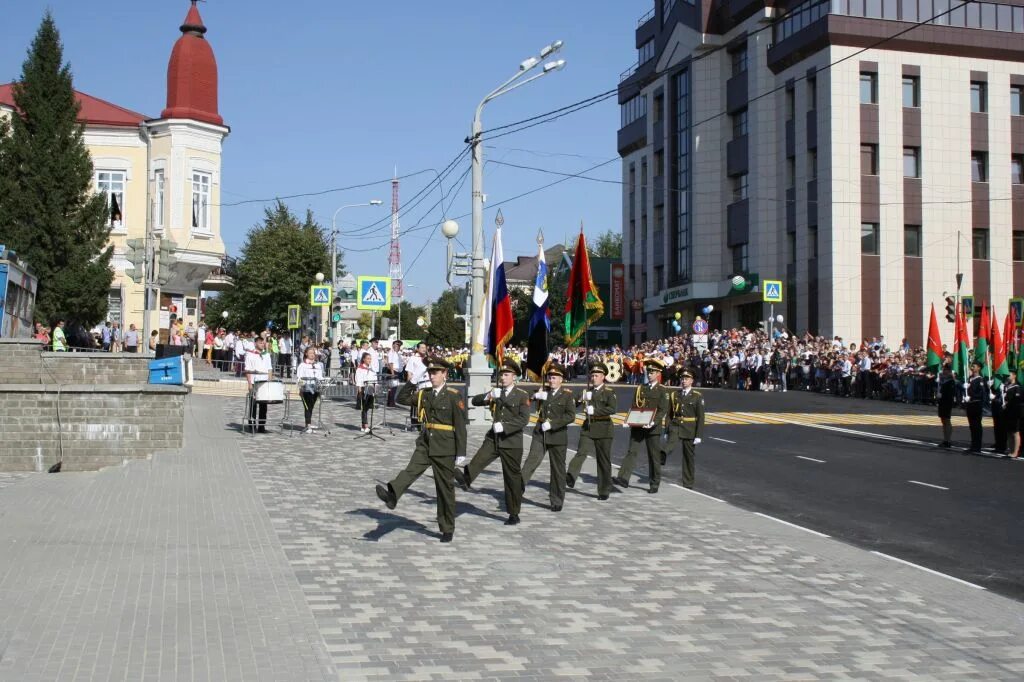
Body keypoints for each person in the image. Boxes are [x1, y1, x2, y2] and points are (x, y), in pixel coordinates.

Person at [376, 357, 467, 543]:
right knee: (411, 470)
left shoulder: (453, 395)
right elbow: (400, 398)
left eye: (436, 373)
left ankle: (447, 527)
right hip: (426, 442)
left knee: (444, 489)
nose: (432, 376)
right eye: (430, 373)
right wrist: (413, 379)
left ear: (444, 374)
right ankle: (392, 496)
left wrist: (461, 452)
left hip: (445, 446)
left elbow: (460, 425)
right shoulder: (424, 394)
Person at [454, 358, 531, 525]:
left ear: (514, 377)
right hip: (494, 438)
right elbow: (474, 401)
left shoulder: (522, 396)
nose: (503, 377)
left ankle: (513, 512)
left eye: (507, 374)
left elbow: (524, 419)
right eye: (502, 374)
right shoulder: (496, 392)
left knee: (511, 478)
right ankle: (466, 478)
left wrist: (505, 426)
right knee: (479, 458)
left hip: (511, 442)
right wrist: (488, 395)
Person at [520, 363, 577, 511]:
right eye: (550, 377)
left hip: (557, 435)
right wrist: (534, 396)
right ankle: (516, 491)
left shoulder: (567, 395)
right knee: (530, 462)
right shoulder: (543, 391)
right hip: (540, 433)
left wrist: (553, 424)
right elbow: (525, 399)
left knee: (557, 469)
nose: (551, 380)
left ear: (561, 380)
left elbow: (570, 416)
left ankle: (556, 499)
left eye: (555, 377)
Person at [614, 358, 672, 493]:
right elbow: (635, 406)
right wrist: (628, 420)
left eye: (652, 372)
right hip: (638, 425)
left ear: (658, 374)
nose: (649, 374)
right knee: (631, 451)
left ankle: (654, 483)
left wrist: (654, 422)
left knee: (653, 456)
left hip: (652, 427)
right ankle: (623, 477)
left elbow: (663, 410)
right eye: (649, 371)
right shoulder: (641, 388)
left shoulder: (663, 390)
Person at [565, 363, 618, 500]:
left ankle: (604, 490)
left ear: (603, 377)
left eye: (597, 376)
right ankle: (571, 475)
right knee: (581, 452)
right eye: (592, 375)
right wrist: (580, 398)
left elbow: (612, 409)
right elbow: (573, 403)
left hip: (604, 428)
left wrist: (595, 411)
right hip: (588, 427)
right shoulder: (586, 391)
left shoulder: (609, 392)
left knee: (603, 460)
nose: (593, 378)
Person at [660, 369, 705, 489]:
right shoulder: (674, 394)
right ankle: (662, 455)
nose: (683, 381)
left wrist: (698, 435)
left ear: (692, 381)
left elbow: (701, 417)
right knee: (670, 443)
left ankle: (688, 483)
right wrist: (666, 430)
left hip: (690, 429)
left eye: (686, 379)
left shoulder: (697, 396)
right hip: (675, 425)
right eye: (682, 379)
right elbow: (669, 414)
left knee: (688, 457)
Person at [244, 335, 275, 433]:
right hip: (254, 382)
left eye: (263, 343)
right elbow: (248, 370)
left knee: (263, 405)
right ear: (255, 343)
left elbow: (269, 368)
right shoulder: (250, 355)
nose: (262, 344)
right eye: (260, 343)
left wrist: (269, 380)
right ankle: (251, 425)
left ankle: (262, 426)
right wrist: (249, 383)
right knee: (253, 405)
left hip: (264, 382)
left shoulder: (266, 355)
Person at [295, 346, 324, 433]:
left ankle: (309, 424)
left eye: (313, 353)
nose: (312, 355)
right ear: (306, 354)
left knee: (311, 407)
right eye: (310, 353)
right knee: (307, 407)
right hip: (306, 388)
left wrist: (321, 384)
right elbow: (299, 378)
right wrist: (301, 388)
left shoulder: (318, 365)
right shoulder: (302, 365)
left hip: (315, 388)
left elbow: (320, 376)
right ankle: (308, 425)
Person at [963, 361, 986, 454]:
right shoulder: (970, 378)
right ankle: (973, 445)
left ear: (979, 368)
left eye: (974, 366)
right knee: (972, 426)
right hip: (970, 404)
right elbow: (967, 390)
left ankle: (977, 446)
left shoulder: (980, 380)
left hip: (976, 404)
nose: (972, 368)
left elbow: (981, 393)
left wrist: (971, 397)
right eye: (972, 366)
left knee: (977, 426)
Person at [355, 351, 377, 433]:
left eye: (370, 359)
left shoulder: (371, 368)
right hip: (364, 389)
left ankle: (363, 425)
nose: (369, 360)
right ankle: (366, 425)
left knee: (367, 408)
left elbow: (375, 378)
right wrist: (360, 391)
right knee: (363, 408)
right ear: (363, 359)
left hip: (371, 389)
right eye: (368, 359)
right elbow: (358, 380)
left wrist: (376, 388)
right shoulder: (360, 368)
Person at [937, 364, 958, 448]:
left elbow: (951, 394)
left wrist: (942, 395)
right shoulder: (942, 380)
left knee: (947, 420)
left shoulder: (951, 381)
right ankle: (945, 439)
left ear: (949, 371)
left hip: (947, 402)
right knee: (943, 420)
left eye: (946, 370)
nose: (944, 371)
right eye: (943, 369)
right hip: (942, 402)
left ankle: (948, 440)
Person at [1004, 372, 1021, 459]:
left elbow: (1017, 400)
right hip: (1007, 412)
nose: (1008, 376)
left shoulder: (1017, 387)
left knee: (1015, 432)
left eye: (1010, 375)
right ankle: (1011, 450)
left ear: (1014, 375)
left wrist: (1008, 403)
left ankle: (1015, 452)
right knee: (1009, 432)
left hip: (1014, 412)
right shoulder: (1006, 386)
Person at [386, 340, 405, 407]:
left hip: (396, 371)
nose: (398, 346)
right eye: (397, 345)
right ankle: (391, 403)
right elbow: (391, 363)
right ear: (393, 345)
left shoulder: (397, 353)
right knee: (392, 388)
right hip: (393, 371)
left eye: (399, 345)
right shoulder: (392, 353)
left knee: (394, 388)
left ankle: (391, 402)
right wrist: (392, 373)